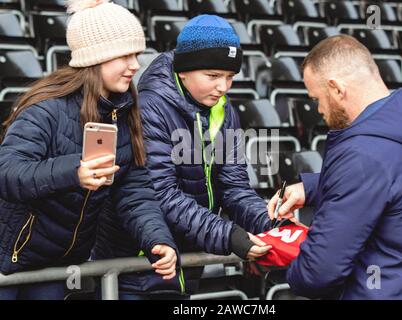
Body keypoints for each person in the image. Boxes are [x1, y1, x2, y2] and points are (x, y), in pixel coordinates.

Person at [0, 0, 177, 300]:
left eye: (135, 54)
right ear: (96, 58)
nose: (135, 65)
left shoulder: (124, 111)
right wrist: (74, 172)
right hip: (8, 259)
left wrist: (157, 240)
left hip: (58, 263)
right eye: (124, 55)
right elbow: (7, 174)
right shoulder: (46, 108)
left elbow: (134, 190)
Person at [92, 14, 273, 298]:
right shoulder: (148, 108)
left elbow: (235, 187)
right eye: (213, 76)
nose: (223, 87)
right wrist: (227, 235)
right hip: (140, 260)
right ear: (184, 70)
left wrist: (270, 224)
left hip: (187, 260)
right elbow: (160, 193)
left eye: (230, 77)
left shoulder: (224, 110)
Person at [268, 35, 402, 299]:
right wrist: (312, 188)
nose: (318, 109)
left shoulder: (361, 155)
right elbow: (399, 180)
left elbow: (319, 272)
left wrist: (284, 271)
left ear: (337, 89)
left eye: (317, 98)